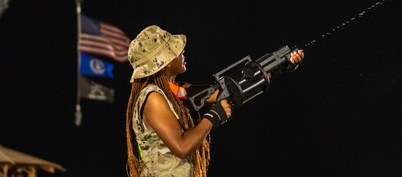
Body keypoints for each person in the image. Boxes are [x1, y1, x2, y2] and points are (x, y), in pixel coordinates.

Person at [124, 25, 304, 177]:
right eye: (175, 50)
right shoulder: (152, 98)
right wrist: (212, 117)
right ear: (164, 62)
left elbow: (227, 92)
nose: (182, 51)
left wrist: (275, 68)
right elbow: (181, 146)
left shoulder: (175, 91)